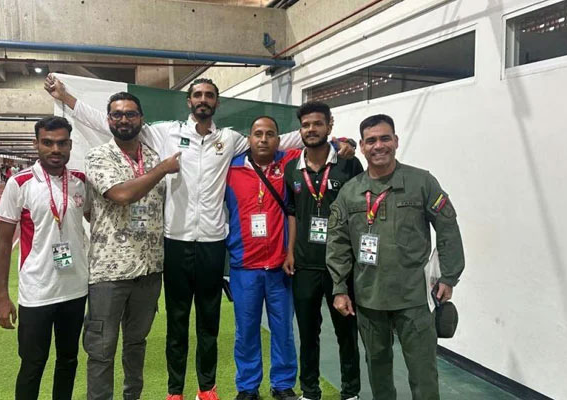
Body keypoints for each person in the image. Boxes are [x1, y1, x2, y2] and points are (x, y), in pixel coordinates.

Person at [44, 74, 353, 400]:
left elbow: (284, 139)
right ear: (189, 101)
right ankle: (175, 391)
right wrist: (67, 98)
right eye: (198, 95)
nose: (203, 99)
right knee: (177, 324)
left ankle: (207, 388)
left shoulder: (231, 139)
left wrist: (335, 142)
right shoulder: (165, 133)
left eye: (209, 95)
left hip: (213, 243)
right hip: (175, 242)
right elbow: (112, 124)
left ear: (215, 103)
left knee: (209, 322)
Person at [326, 114, 465, 400]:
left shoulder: (421, 182)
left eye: (385, 138)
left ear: (396, 141)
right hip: (369, 297)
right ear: (362, 147)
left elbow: (448, 227)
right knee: (377, 370)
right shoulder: (351, 193)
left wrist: (449, 276)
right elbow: (337, 243)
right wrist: (340, 288)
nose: (379, 146)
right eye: (371, 140)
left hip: (414, 297)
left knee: (423, 373)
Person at [83, 92, 180, 400]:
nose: (123, 119)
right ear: (109, 120)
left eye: (130, 114)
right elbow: (121, 195)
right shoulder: (98, 157)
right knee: (101, 350)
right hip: (108, 273)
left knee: (136, 345)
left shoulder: (153, 156)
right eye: (117, 114)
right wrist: (162, 170)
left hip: (150, 270)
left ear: (141, 118)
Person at [0, 116, 90, 400]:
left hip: (75, 289)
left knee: (69, 360)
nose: (55, 149)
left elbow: (94, 221)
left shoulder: (80, 182)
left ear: (70, 145)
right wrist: (2, 296)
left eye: (61, 143)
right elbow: (2, 244)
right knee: (33, 364)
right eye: (47, 143)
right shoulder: (19, 183)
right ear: (36, 144)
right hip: (37, 291)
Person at [283, 102, 362, 400]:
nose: (311, 129)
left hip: (341, 267)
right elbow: (292, 213)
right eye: (306, 125)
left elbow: (359, 210)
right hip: (304, 265)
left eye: (317, 124)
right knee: (308, 333)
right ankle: (310, 391)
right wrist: (290, 251)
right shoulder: (293, 167)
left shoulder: (349, 163)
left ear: (330, 125)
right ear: (300, 130)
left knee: (346, 333)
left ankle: (350, 392)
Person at [225, 116, 300, 400]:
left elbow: (320, 143)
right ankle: (247, 387)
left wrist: (343, 144)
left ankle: (282, 384)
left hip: (281, 265)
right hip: (244, 266)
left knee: (282, 330)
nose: (264, 139)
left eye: (270, 134)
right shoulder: (230, 170)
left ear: (279, 139)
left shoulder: (290, 162)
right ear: (249, 138)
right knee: (246, 331)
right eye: (258, 133)